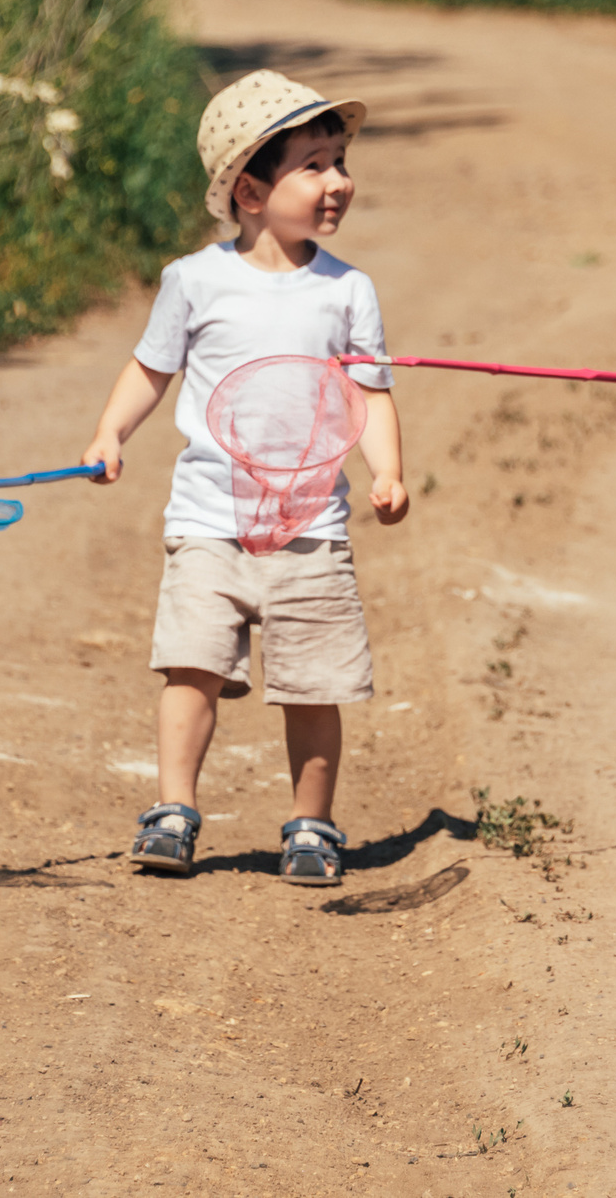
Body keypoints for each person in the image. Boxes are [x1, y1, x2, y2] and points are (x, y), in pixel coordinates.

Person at [79, 69, 409, 884]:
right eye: (315, 164)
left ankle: (312, 824)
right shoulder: (195, 281)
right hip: (208, 522)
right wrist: (110, 431)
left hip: (311, 530)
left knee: (313, 684)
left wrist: (388, 471)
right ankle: (173, 809)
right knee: (189, 666)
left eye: (341, 161)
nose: (338, 182)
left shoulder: (347, 290)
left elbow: (369, 391)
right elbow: (151, 369)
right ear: (252, 190)